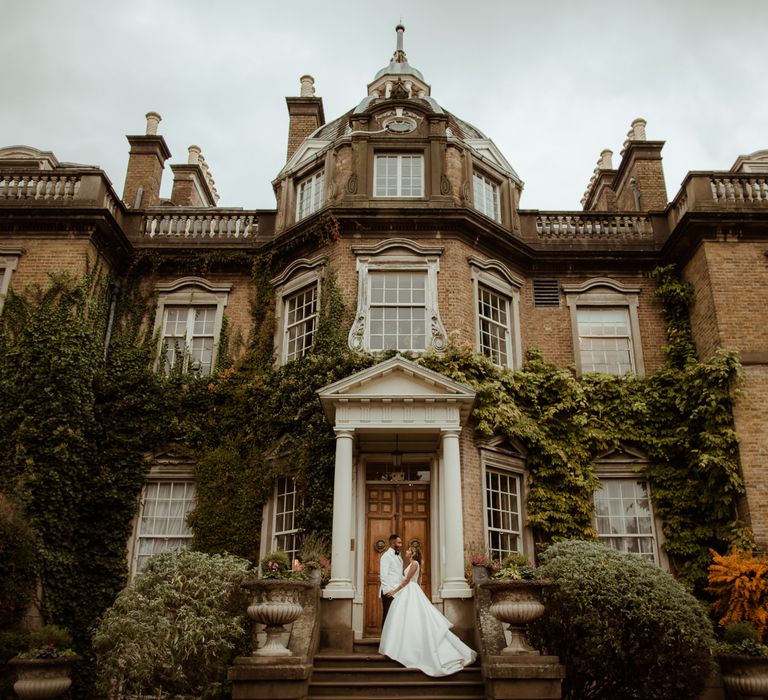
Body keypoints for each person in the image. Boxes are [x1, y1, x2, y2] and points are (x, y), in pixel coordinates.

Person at [379, 546, 477, 677]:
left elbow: (407, 581)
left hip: (410, 590)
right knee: (406, 619)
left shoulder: (414, 563)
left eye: (408, 550)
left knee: (414, 618)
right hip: (409, 591)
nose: (406, 552)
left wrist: (394, 591)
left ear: (413, 553)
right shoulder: (411, 563)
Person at [379, 533, 403, 627]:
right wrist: (388, 590)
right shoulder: (386, 556)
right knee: (387, 617)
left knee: (394, 618)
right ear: (393, 543)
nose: (401, 545)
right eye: (399, 543)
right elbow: (383, 575)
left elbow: (398, 574)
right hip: (389, 592)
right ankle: (384, 640)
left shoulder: (398, 556)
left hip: (397, 591)